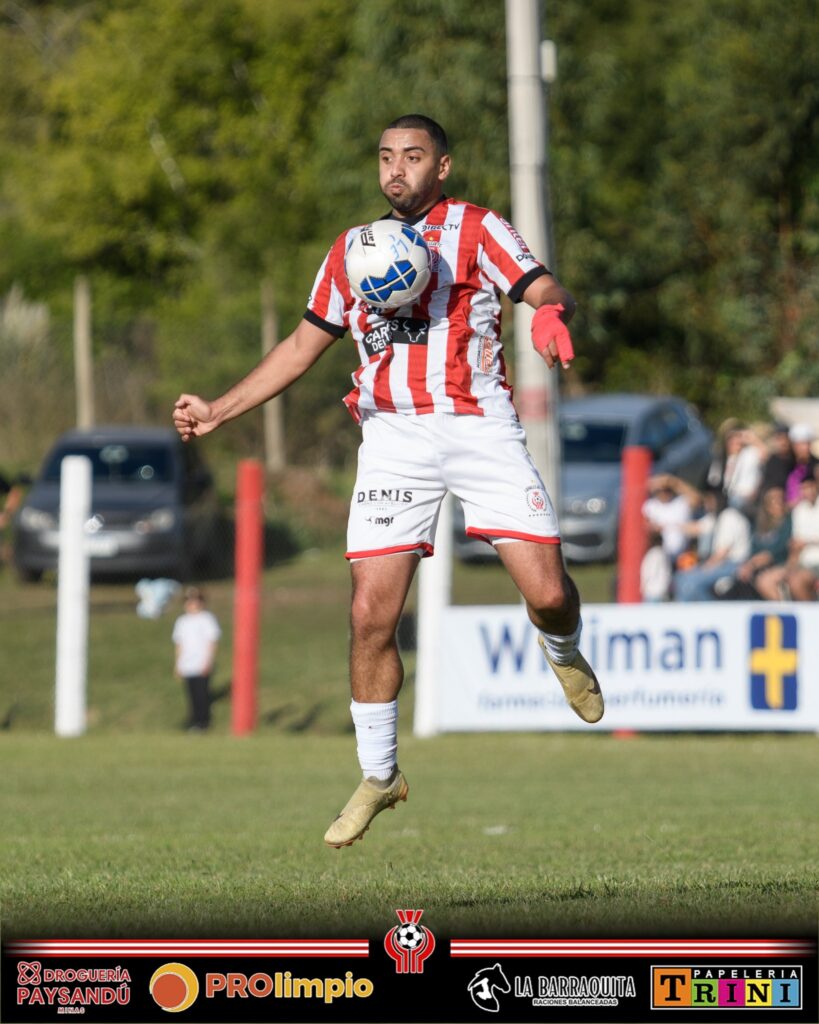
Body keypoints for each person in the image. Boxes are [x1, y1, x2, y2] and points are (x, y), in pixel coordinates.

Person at [172, 113, 603, 848]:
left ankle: (561, 652)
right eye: (384, 157)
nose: (395, 170)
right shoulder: (353, 250)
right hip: (393, 439)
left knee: (551, 594)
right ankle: (379, 774)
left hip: (479, 427)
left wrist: (548, 312)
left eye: (412, 156)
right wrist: (220, 408)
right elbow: (304, 342)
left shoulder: (476, 227)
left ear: (442, 167)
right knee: (370, 613)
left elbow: (537, 282)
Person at [172, 587, 221, 731]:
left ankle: (203, 722)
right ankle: (193, 720)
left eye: (195, 600)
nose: (192, 603)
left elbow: (212, 642)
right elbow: (179, 644)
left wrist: (208, 661)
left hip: (201, 662)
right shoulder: (182, 621)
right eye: (189, 600)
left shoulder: (207, 619)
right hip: (187, 664)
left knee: (202, 694)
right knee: (191, 695)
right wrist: (178, 664)